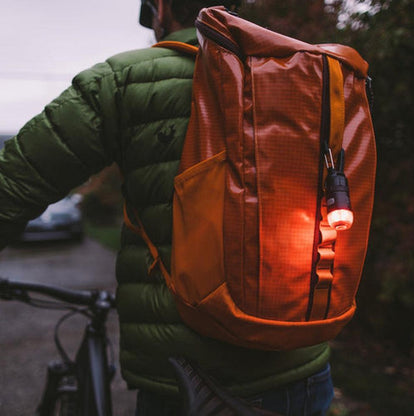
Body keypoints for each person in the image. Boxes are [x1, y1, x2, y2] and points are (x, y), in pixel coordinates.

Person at [0, 1, 334, 415]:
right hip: (303, 366)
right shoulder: (303, 72)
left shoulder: (124, 80)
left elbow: (14, 184)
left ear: (160, 8)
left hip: (189, 383)